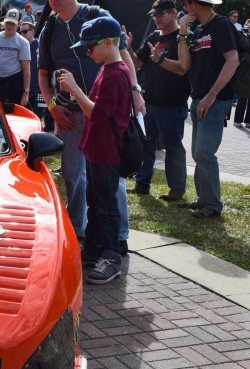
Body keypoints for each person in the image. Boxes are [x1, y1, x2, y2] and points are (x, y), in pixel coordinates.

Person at [38, 0, 144, 245]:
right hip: (70, 115)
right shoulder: (50, 27)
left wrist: (135, 91)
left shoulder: (98, 16)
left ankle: (117, 238)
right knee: (74, 175)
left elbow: (124, 56)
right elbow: (43, 75)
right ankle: (80, 232)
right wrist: (53, 107)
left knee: (110, 178)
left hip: (103, 116)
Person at [58, 16, 131, 284]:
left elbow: (98, 114)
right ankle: (95, 250)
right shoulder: (108, 69)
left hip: (107, 151)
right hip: (96, 148)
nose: (87, 52)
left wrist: (75, 89)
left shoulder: (116, 74)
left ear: (109, 42)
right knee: (96, 202)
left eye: (90, 46)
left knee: (107, 205)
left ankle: (111, 257)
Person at [176, 0, 239, 219]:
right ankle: (203, 200)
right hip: (199, 99)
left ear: (194, 3)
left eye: (186, 2)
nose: (184, 6)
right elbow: (185, 65)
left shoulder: (221, 25)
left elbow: (233, 61)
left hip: (215, 99)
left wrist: (212, 95)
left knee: (204, 152)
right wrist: (183, 33)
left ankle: (213, 205)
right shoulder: (200, 30)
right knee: (197, 152)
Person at [128, 0, 191, 202]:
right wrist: (127, 48)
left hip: (172, 105)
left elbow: (183, 68)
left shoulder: (184, 38)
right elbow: (137, 63)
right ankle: (142, 183)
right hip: (149, 103)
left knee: (173, 147)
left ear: (173, 13)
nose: (156, 19)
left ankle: (176, 189)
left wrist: (160, 60)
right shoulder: (154, 36)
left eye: (160, 14)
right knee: (146, 145)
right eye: (154, 15)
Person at [0, 10, 30, 107]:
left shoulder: (23, 42)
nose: (10, 26)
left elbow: (26, 69)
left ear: (19, 24)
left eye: (13, 23)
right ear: (4, 22)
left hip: (14, 84)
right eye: (8, 22)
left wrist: (26, 93)